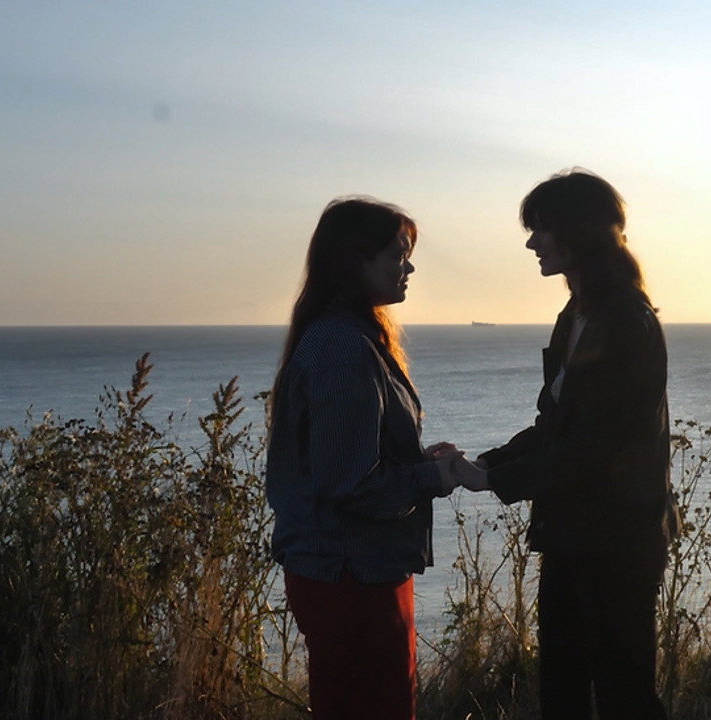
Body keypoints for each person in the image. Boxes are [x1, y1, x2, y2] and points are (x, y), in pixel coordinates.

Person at [456, 170, 679, 719]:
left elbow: (595, 445)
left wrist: (496, 479)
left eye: (541, 228)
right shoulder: (577, 315)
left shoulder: (624, 320)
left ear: (577, 232)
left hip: (617, 541)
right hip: (573, 534)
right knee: (561, 686)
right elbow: (555, 425)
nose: (532, 242)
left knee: (624, 694)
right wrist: (486, 462)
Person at [266, 197, 468, 719]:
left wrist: (420, 463)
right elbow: (352, 486)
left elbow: (348, 463)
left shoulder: (348, 337)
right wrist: (432, 478)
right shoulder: (343, 347)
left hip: (350, 571)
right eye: (398, 255)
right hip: (352, 577)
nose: (409, 268)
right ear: (356, 260)